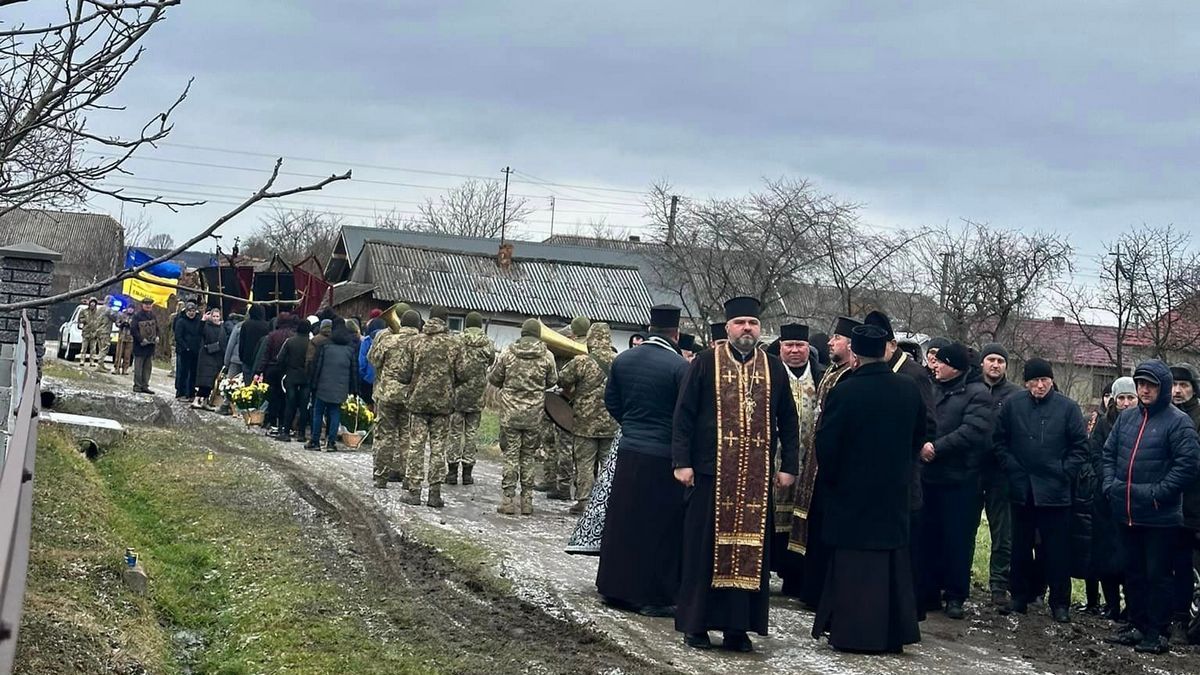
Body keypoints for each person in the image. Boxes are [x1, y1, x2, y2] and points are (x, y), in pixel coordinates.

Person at [672, 296, 800, 652]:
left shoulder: (773, 367)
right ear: (727, 327)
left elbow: (788, 421)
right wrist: (681, 462)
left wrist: (789, 465)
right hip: (710, 474)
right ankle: (696, 625)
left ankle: (737, 628)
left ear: (760, 329)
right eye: (741, 322)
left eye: (753, 323)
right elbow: (683, 416)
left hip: (756, 481)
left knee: (750, 554)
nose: (747, 328)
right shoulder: (704, 362)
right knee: (703, 552)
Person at [812, 323, 925, 654]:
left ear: (856, 357)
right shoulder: (908, 389)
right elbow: (919, 437)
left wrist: (833, 481)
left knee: (852, 565)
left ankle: (851, 632)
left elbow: (827, 444)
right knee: (889, 565)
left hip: (851, 495)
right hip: (893, 493)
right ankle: (890, 634)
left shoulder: (845, 391)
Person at [596, 305, 689, 616]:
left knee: (623, 521)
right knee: (657, 527)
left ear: (650, 328)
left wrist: (631, 426)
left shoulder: (623, 360)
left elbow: (611, 401)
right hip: (662, 457)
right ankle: (652, 597)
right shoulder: (679, 366)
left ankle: (614, 588)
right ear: (675, 334)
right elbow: (683, 414)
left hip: (629, 451)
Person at [1103, 360, 1200, 653]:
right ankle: (1136, 623)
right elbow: (1108, 454)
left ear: (1163, 388)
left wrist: (1158, 493)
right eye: (1140, 384)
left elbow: (1187, 466)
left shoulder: (1178, 422)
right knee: (1133, 572)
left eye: (1151, 385)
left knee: (1157, 575)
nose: (1144, 390)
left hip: (1161, 515)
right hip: (1127, 511)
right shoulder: (1128, 418)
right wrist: (1109, 486)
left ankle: (1157, 632)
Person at [994, 357, 1088, 623]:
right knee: (1020, 547)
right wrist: (1012, 468)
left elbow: (1080, 447)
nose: (1040, 386)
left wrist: (1063, 472)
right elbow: (1000, 441)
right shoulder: (1013, 405)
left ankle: (1060, 603)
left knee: (1057, 551)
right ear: (1026, 383)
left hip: (1055, 492)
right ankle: (1019, 597)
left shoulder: (1068, 408)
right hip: (1022, 489)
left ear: (1052, 380)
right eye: (1034, 381)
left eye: (1044, 380)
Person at [864, 310, 937, 620]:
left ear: (892, 344)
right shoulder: (876, 371)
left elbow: (928, 424)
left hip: (905, 472)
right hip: (878, 474)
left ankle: (909, 607)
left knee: (906, 541)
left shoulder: (913, 375)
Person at [789, 316, 861, 609]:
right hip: (815, 458)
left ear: (851, 345)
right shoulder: (832, 370)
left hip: (830, 462)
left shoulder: (850, 375)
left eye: (837, 338)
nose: (831, 343)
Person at [918, 341, 993, 620]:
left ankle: (955, 595)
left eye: (942, 362)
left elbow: (973, 431)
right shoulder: (933, 388)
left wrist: (935, 448)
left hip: (961, 479)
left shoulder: (978, 394)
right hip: (929, 477)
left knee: (957, 540)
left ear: (956, 367)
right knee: (927, 537)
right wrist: (922, 443)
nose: (935, 366)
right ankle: (927, 591)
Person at [768, 323, 821, 598]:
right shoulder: (771, 373)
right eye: (789, 345)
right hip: (776, 460)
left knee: (802, 521)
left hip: (810, 463)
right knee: (773, 519)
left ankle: (795, 577)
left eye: (800, 345)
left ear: (807, 348)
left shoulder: (822, 376)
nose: (795, 351)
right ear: (781, 348)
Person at [396, 306, 464, 509]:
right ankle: (435, 494)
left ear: (429, 319)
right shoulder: (455, 344)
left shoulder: (415, 342)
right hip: (443, 405)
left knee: (416, 446)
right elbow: (463, 373)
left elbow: (402, 374)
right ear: (446, 320)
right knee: (438, 448)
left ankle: (414, 491)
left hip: (417, 402)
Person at [489, 318, 557, 516]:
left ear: (522, 333)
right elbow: (553, 380)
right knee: (528, 456)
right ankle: (527, 502)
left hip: (510, 414)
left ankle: (508, 501)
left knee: (511, 455)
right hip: (534, 415)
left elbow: (494, 378)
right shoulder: (547, 356)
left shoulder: (508, 353)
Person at [977, 343, 1023, 611]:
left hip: (1001, 473)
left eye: (1000, 361)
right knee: (964, 529)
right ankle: (955, 581)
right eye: (991, 359)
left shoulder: (1016, 396)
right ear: (982, 362)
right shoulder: (971, 388)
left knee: (1002, 533)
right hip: (971, 469)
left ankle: (999, 584)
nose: (995, 365)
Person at [1085, 377, 1135, 621]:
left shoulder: (1143, 423)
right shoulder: (1103, 425)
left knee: (1130, 557)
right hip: (1105, 498)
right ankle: (1111, 604)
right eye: (1121, 398)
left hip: (1132, 499)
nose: (1125, 403)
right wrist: (1108, 483)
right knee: (1105, 555)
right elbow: (1095, 455)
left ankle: (1131, 606)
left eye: (1130, 398)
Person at [557, 322, 618, 515]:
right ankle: (608, 502)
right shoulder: (620, 360)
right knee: (608, 464)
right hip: (611, 422)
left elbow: (562, 379)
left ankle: (584, 501)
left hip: (585, 422)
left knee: (584, 462)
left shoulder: (582, 361)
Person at [368, 307, 420, 487]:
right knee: (407, 436)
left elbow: (373, 360)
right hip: (410, 396)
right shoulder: (420, 343)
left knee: (385, 436)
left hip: (387, 394)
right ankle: (407, 477)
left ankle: (381, 477)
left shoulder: (388, 340)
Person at [541, 316, 590, 500]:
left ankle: (562, 487)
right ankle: (581, 488)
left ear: (574, 332)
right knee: (583, 451)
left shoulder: (571, 348)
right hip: (589, 410)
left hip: (567, 404)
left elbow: (561, 379)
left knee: (564, 447)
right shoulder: (592, 349)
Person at [448, 311, 497, 486]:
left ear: (467, 324)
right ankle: (467, 474)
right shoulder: (488, 344)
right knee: (471, 434)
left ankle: (452, 472)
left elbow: (450, 361)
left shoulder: (456, 341)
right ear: (480, 325)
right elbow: (491, 362)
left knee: (454, 432)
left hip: (457, 393)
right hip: (477, 395)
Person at [1170, 362, 1200, 634]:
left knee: (1193, 570)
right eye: (1173, 385)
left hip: (1194, 506)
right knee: (1173, 565)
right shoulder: (1161, 415)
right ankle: (1175, 616)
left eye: (1183, 386)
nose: (1177, 391)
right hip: (1166, 506)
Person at [306, 322, 357, 452]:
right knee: (335, 414)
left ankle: (315, 441)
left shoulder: (325, 347)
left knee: (318, 413)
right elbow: (353, 371)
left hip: (323, 386)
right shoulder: (350, 350)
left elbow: (317, 367)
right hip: (340, 388)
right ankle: (331, 443)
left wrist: (313, 384)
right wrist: (354, 389)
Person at [275, 319, 312, 443]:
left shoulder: (290, 342)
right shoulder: (311, 344)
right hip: (306, 378)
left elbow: (280, 359)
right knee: (303, 406)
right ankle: (301, 433)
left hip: (291, 376)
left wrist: (285, 369)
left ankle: (286, 432)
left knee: (289, 405)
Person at [193, 308, 229, 409]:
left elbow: (224, 342)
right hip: (206, 356)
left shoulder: (222, 328)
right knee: (205, 381)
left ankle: (205, 401)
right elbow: (199, 332)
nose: (215, 318)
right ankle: (197, 399)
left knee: (212, 381)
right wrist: (203, 320)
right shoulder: (206, 326)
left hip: (217, 357)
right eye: (214, 316)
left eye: (217, 316)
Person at [129, 297, 159, 394]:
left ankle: (145, 385)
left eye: (150, 304)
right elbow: (133, 329)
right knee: (138, 367)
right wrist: (141, 339)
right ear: (142, 305)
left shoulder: (153, 316)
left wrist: (157, 336)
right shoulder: (137, 316)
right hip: (140, 346)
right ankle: (137, 386)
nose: (148, 306)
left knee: (147, 368)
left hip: (150, 346)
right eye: (146, 304)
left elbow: (157, 328)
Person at [173, 302, 202, 400]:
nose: (191, 313)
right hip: (184, 351)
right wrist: (186, 347)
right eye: (189, 311)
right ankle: (181, 392)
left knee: (193, 373)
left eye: (193, 311)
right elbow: (178, 336)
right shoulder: (181, 321)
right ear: (186, 311)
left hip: (195, 351)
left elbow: (200, 333)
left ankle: (191, 392)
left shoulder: (198, 321)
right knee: (183, 373)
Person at [79, 297, 109, 369]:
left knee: (93, 349)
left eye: (94, 303)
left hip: (94, 333)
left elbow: (100, 321)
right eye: (91, 302)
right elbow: (80, 319)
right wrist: (85, 321)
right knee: (84, 348)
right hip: (86, 332)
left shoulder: (98, 312)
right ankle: (82, 360)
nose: (92, 304)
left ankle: (92, 361)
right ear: (89, 303)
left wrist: (98, 329)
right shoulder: (84, 311)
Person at [114, 307, 134, 375]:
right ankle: (117, 368)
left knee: (127, 355)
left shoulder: (134, 317)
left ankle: (125, 369)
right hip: (121, 337)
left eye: (132, 309)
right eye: (129, 308)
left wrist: (130, 326)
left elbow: (137, 326)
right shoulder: (122, 315)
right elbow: (117, 322)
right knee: (119, 353)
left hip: (130, 338)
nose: (130, 310)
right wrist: (121, 325)